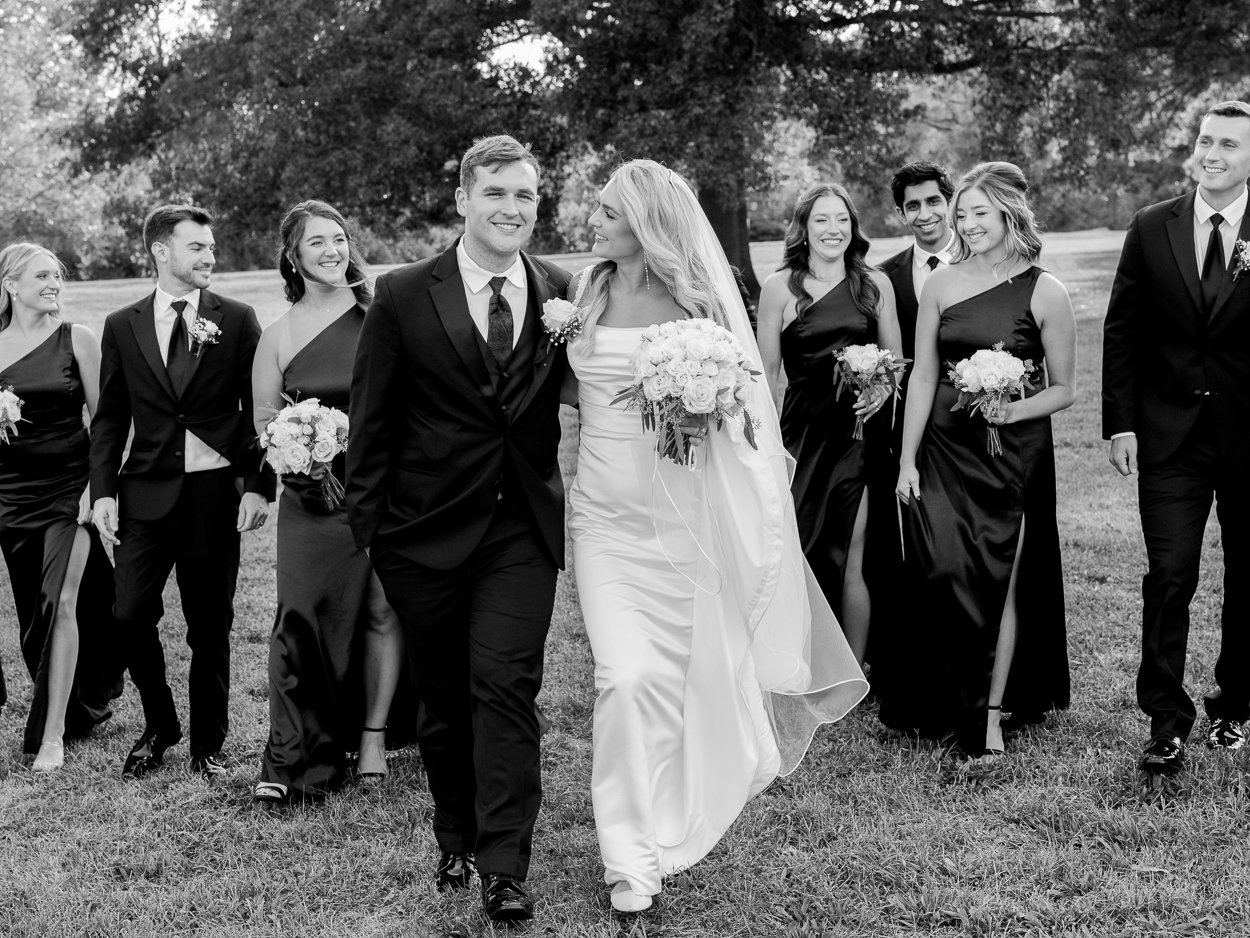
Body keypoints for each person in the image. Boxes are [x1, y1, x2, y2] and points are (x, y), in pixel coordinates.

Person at [565, 160, 868, 913]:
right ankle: (630, 859)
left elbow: (744, 413)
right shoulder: (584, 291)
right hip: (602, 520)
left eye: (608, 213)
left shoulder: (698, 303)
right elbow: (569, 387)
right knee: (623, 677)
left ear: (646, 226)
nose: (594, 222)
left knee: (681, 676)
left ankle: (676, 803)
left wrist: (700, 407)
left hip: (682, 524)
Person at [346, 135, 571, 925]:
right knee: (443, 702)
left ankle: (504, 866)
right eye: (497, 193)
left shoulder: (561, 290)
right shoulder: (404, 292)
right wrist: (373, 534)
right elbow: (371, 418)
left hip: (521, 528)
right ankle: (456, 835)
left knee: (505, 688)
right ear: (464, 199)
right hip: (422, 531)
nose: (512, 209)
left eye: (525, 196)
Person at [888, 162, 1074, 760]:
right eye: (961, 214)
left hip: (1012, 457)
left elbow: (1063, 388)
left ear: (1008, 215)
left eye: (978, 213)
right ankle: (943, 697)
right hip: (944, 448)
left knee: (1002, 580)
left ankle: (990, 712)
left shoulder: (1046, 290)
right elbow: (922, 376)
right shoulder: (941, 284)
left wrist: (1011, 412)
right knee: (943, 570)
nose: (966, 224)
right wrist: (907, 459)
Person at [90, 204, 274, 780]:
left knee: (209, 627)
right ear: (161, 251)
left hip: (214, 497)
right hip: (144, 494)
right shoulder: (122, 325)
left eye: (211, 247)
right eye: (197, 247)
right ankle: (160, 723)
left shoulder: (236, 318)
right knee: (129, 615)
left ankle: (207, 745)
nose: (210, 256)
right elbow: (110, 417)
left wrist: (257, 487)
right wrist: (103, 491)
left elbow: (260, 410)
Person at [1102, 100, 1250, 780]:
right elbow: (1122, 328)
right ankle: (1166, 723)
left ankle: (1235, 705)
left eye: (1229, 144)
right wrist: (1121, 421)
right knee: (1169, 575)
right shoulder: (1150, 225)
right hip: (1169, 437)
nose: (1212, 154)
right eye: (1206, 141)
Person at [250, 200, 413, 803]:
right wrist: (301, 451)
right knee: (300, 617)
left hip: (386, 487)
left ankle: (372, 739)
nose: (331, 250)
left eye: (339, 238)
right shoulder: (278, 336)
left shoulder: (382, 313)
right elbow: (264, 425)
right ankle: (295, 758)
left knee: (382, 611)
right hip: (312, 498)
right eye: (316, 242)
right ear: (293, 257)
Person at [757, 183, 904, 666]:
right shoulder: (780, 288)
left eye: (841, 219)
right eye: (821, 219)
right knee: (800, 549)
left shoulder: (874, 284)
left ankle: (854, 669)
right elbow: (765, 375)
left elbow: (896, 361)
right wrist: (761, 446)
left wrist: (881, 389)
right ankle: (803, 662)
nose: (832, 229)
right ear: (804, 228)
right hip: (801, 435)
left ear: (853, 227)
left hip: (858, 435)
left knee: (852, 550)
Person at [0, 244, 121, 770]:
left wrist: (98, 488)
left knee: (62, 601)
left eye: (57, 275)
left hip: (69, 493)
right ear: (11, 284)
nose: (54, 284)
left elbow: (108, 422)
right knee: (34, 614)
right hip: (9, 497)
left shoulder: (79, 339)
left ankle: (51, 736)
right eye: (42, 276)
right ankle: (73, 702)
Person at [868, 162, 956, 695]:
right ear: (901, 214)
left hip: (969, 427)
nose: (924, 214)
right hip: (904, 429)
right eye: (912, 206)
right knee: (900, 548)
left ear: (950, 202)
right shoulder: (884, 276)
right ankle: (903, 664)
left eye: (933, 201)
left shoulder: (983, 261)